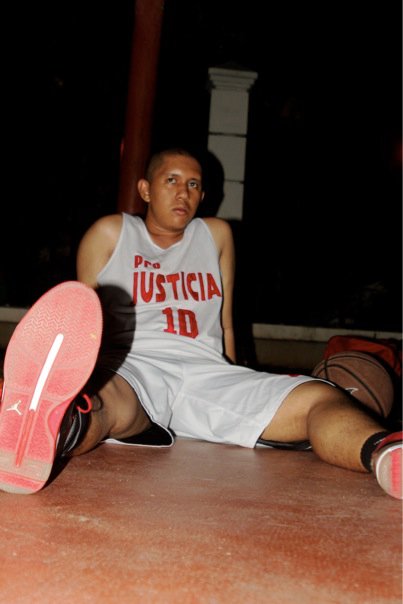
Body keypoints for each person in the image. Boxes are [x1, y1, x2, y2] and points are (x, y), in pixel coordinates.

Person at [0, 147, 401, 497]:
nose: (183, 192)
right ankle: (46, 430)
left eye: (193, 184)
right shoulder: (111, 233)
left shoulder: (216, 235)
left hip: (208, 372)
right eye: (171, 180)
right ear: (145, 189)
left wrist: (237, 372)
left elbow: (225, 322)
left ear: (203, 195)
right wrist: (89, 375)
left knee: (317, 396)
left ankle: (386, 454)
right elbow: (85, 324)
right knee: (107, 402)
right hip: (135, 364)